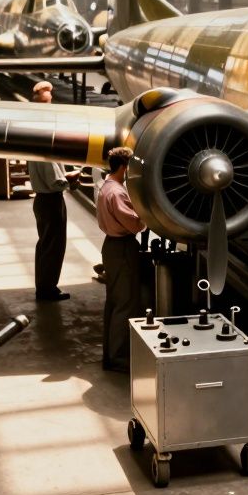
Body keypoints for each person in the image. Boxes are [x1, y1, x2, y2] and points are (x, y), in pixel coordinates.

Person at [96, 146, 146, 372]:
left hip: (112, 246)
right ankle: (119, 358)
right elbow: (134, 224)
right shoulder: (117, 192)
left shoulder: (106, 186)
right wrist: (145, 216)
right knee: (126, 304)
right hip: (122, 248)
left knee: (115, 302)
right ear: (124, 167)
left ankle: (110, 354)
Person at [27, 81, 78, 301]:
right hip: (51, 201)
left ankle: (46, 285)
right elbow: (54, 179)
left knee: (46, 245)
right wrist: (71, 180)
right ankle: (47, 289)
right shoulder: (45, 139)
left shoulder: (35, 134)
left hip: (43, 199)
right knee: (53, 246)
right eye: (48, 103)